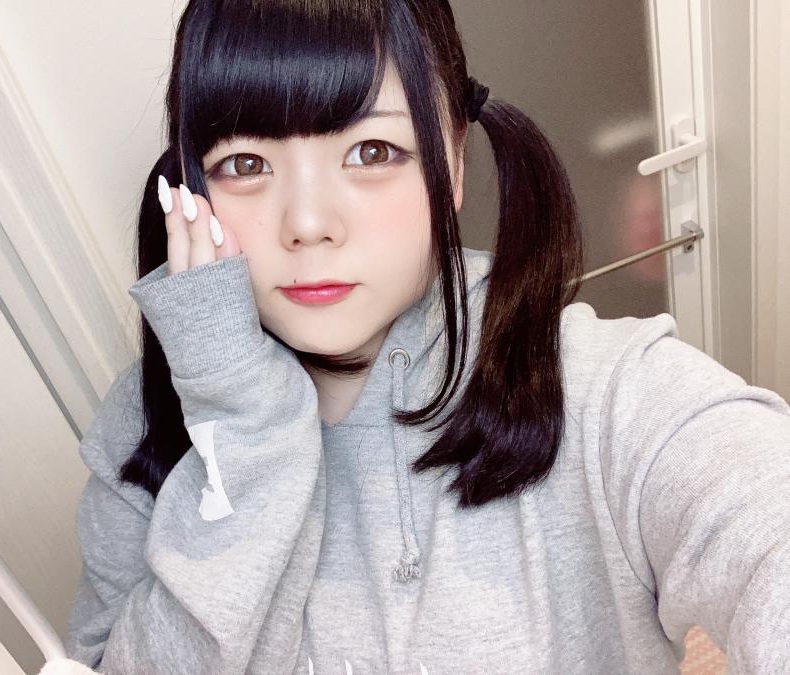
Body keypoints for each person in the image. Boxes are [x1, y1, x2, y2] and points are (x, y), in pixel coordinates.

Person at [64, 1, 790, 673]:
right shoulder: (143, 422)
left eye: (372, 152)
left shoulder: (605, 390)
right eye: (246, 165)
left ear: (455, 163)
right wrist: (240, 433)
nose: (308, 223)